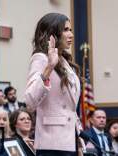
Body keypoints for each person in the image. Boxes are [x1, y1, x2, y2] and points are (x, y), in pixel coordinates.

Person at [24, 12, 81, 156]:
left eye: (71, 30)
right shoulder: (41, 59)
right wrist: (49, 67)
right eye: (66, 30)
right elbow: (30, 101)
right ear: (52, 33)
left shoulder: (64, 61)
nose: (71, 35)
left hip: (69, 139)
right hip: (52, 142)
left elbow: (70, 107)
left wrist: (78, 140)